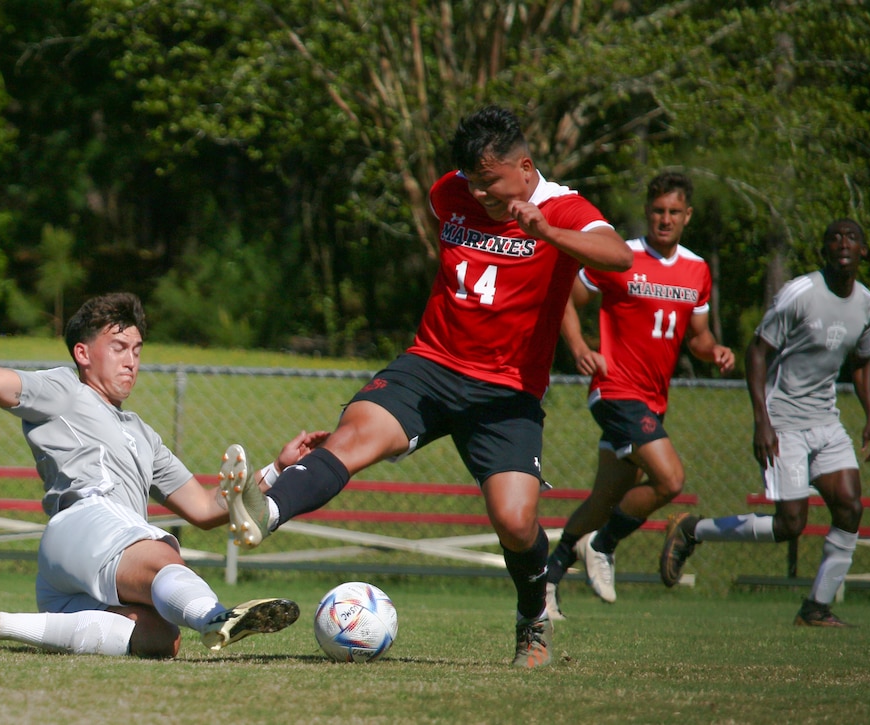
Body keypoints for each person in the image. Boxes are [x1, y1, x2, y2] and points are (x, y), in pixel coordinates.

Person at [220, 105, 632, 668]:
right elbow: (459, 203)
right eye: (472, 182)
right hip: (431, 364)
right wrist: (477, 191)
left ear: (525, 166)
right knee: (352, 438)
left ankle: (533, 618)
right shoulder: (450, 191)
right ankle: (265, 512)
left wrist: (547, 231)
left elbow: (619, 256)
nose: (479, 194)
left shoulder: (564, 208)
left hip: (505, 393)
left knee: (515, 522)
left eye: (491, 183)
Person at [0, 293, 329, 658]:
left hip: (70, 566)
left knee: (159, 638)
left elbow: (206, 510)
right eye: (119, 347)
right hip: (87, 523)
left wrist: (277, 468)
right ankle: (215, 617)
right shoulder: (63, 389)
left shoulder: (144, 435)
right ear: (83, 353)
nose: (131, 361)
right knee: (164, 552)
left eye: (138, 350)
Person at [660, 218, 870, 627]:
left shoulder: (865, 303)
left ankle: (816, 608)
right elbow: (757, 352)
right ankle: (692, 530)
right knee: (790, 523)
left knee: (849, 506)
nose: (843, 243)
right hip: (784, 420)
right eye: (834, 237)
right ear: (824, 250)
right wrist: (763, 421)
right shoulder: (800, 294)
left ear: (863, 251)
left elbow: (862, 364)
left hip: (826, 419)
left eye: (852, 238)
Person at [544, 172, 734, 618]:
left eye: (673, 212)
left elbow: (698, 339)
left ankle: (548, 581)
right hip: (614, 390)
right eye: (657, 211)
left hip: (652, 401)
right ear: (647, 213)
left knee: (605, 498)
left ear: (687, 215)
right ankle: (604, 544)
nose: (664, 219)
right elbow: (563, 300)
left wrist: (717, 353)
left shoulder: (696, 269)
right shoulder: (620, 256)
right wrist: (579, 348)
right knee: (670, 480)